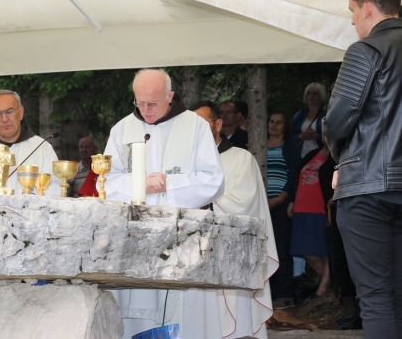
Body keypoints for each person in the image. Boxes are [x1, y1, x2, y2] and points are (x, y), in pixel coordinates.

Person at [104, 69, 224, 338]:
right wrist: (140, 185)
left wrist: (170, 184)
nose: (145, 110)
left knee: (182, 313)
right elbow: (108, 183)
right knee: (135, 311)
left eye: (153, 103)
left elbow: (214, 180)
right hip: (135, 238)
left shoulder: (195, 126)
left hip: (183, 238)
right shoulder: (122, 129)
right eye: (139, 102)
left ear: (170, 96)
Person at [322, 0, 402, 338]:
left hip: (368, 189)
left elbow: (338, 119)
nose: (352, 19)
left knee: (375, 298)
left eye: (352, 10)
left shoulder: (367, 49)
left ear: (368, 7)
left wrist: (342, 160)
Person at [188, 100, 278, 339]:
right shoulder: (184, 164)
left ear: (218, 124)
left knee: (237, 325)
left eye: (202, 123)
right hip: (193, 255)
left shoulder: (241, 158)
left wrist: (202, 198)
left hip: (233, 254)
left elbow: (244, 203)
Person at [0, 90, 60, 196]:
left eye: (9, 112)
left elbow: (54, 191)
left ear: (21, 112)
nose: (4, 119)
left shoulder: (42, 148)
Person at [287, 139, 335, 298]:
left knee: (326, 247)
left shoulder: (337, 156)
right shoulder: (311, 154)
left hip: (322, 206)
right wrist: (292, 200)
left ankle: (324, 287)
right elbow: (296, 177)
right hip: (302, 206)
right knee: (304, 247)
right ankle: (330, 280)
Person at [266, 111, 300, 310]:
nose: (274, 125)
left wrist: (284, 196)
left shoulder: (290, 145)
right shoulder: (259, 145)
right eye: (272, 121)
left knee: (281, 248)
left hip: (280, 202)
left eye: (279, 122)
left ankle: (285, 294)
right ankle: (267, 293)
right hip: (260, 203)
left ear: (284, 126)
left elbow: (295, 172)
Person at [291, 83, 327, 158]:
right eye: (309, 93)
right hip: (301, 156)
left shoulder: (326, 116)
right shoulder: (299, 115)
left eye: (315, 93)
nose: (311, 96)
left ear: (320, 96)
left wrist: (317, 136)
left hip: (320, 156)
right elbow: (290, 137)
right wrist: (300, 136)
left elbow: (332, 138)